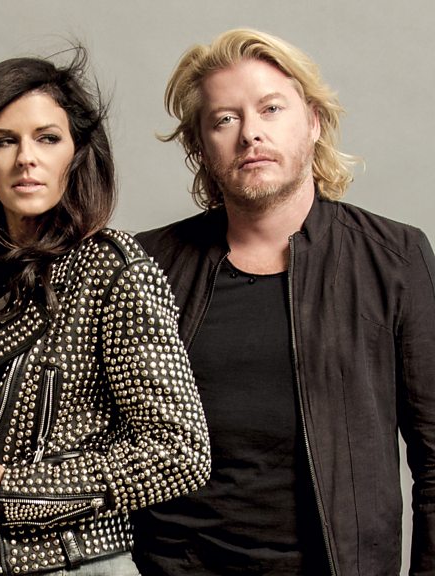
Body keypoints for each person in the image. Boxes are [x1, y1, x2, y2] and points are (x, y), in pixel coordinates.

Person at [131, 28, 435, 576]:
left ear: (313, 122)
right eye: (225, 119)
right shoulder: (146, 264)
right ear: (201, 145)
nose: (251, 133)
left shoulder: (394, 258)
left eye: (271, 109)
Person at [0, 50, 211, 576]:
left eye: (47, 138)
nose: (26, 158)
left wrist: (14, 490)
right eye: (4, 141)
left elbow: (181, 452)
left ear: (76, 154)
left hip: (80, 564)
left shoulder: (113, 269)